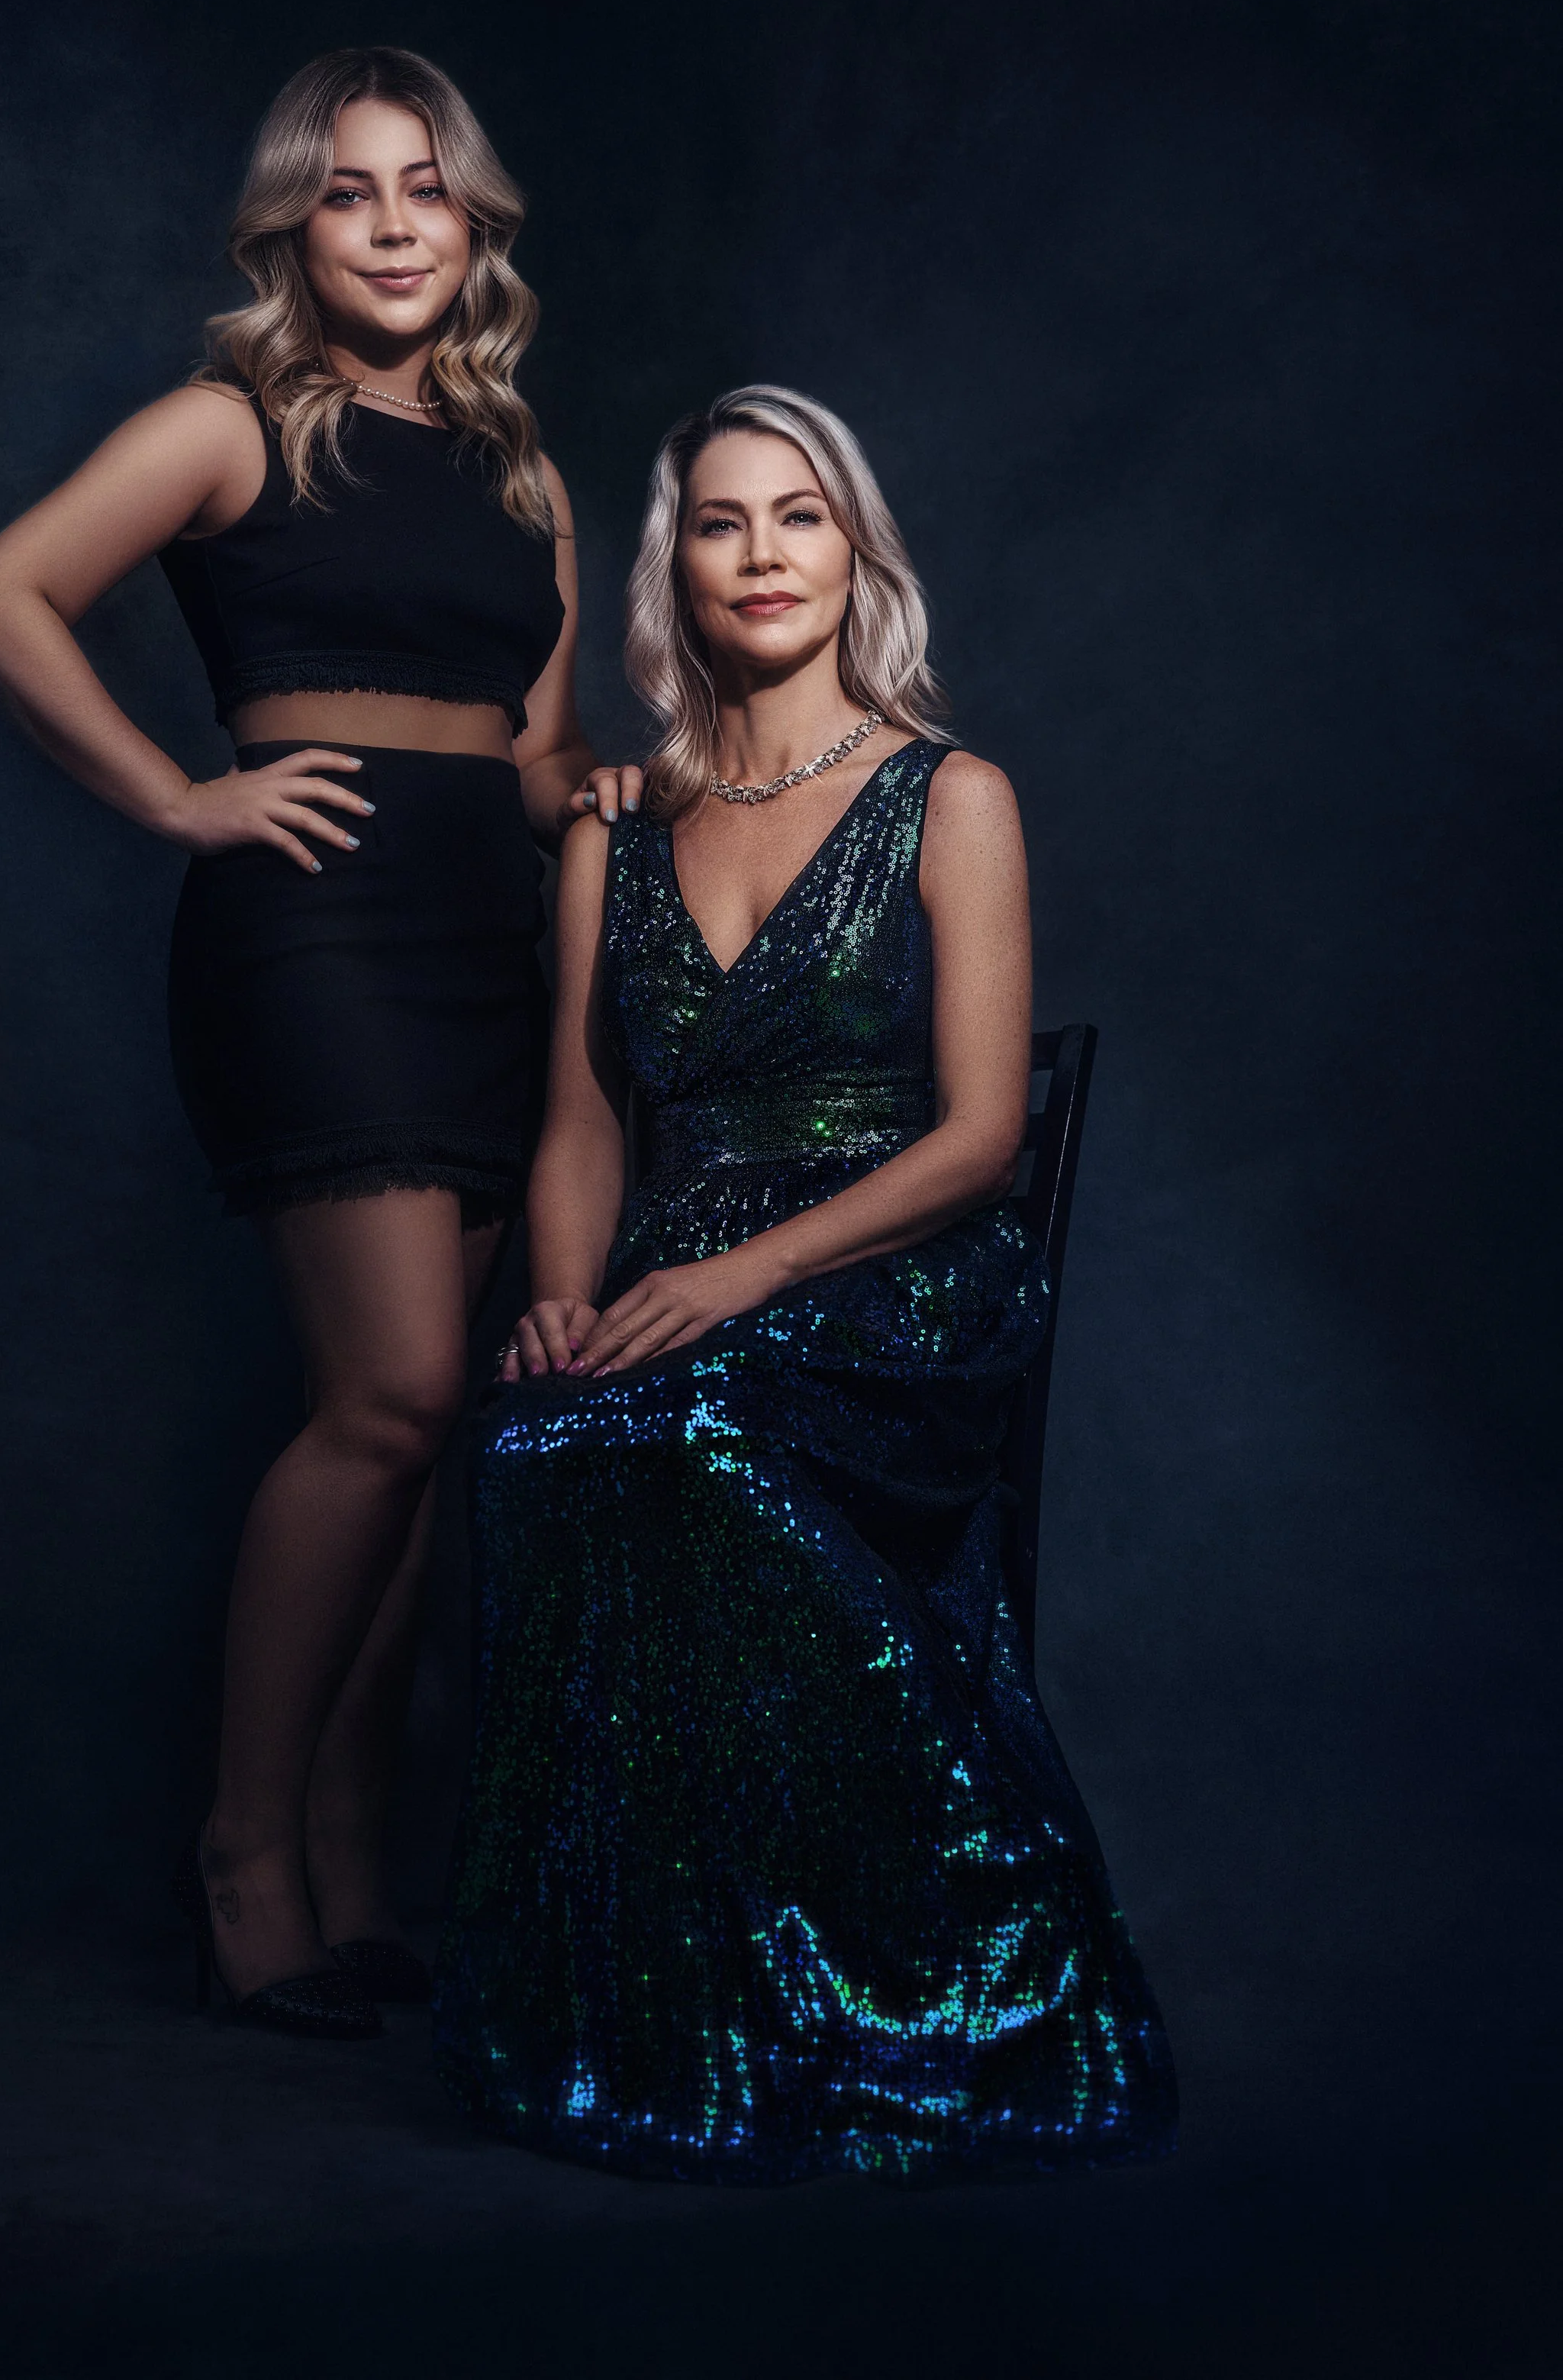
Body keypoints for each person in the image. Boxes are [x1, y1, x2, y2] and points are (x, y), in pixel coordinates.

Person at [0, 48, 638, 2039]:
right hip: (311, 934)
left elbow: (523, 756)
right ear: (292, 226)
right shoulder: (227, 425)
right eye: (351, 193)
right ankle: (242, 1851)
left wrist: (638, 798)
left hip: (482, 941)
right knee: (394, 1394)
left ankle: (342, 1848)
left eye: (429, 189)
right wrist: (176, 796)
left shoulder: (524, 474)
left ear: (474, 223)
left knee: (446, 1441)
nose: (399, 224)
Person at [434, 385, 1177, 2179]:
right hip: (680, 1277)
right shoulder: (614, 825)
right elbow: (576, 1123)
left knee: (681, 1423)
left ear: (855, 556)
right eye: (718, 522)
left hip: (896, 1282)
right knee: (546, 1433)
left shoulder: (951, 793)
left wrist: (741, 1275)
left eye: (798, 518)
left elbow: (980, 1135)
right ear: (671, 571)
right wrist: (559, 1297)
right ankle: (658, 2021)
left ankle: (929, 1983)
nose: (760, 555)